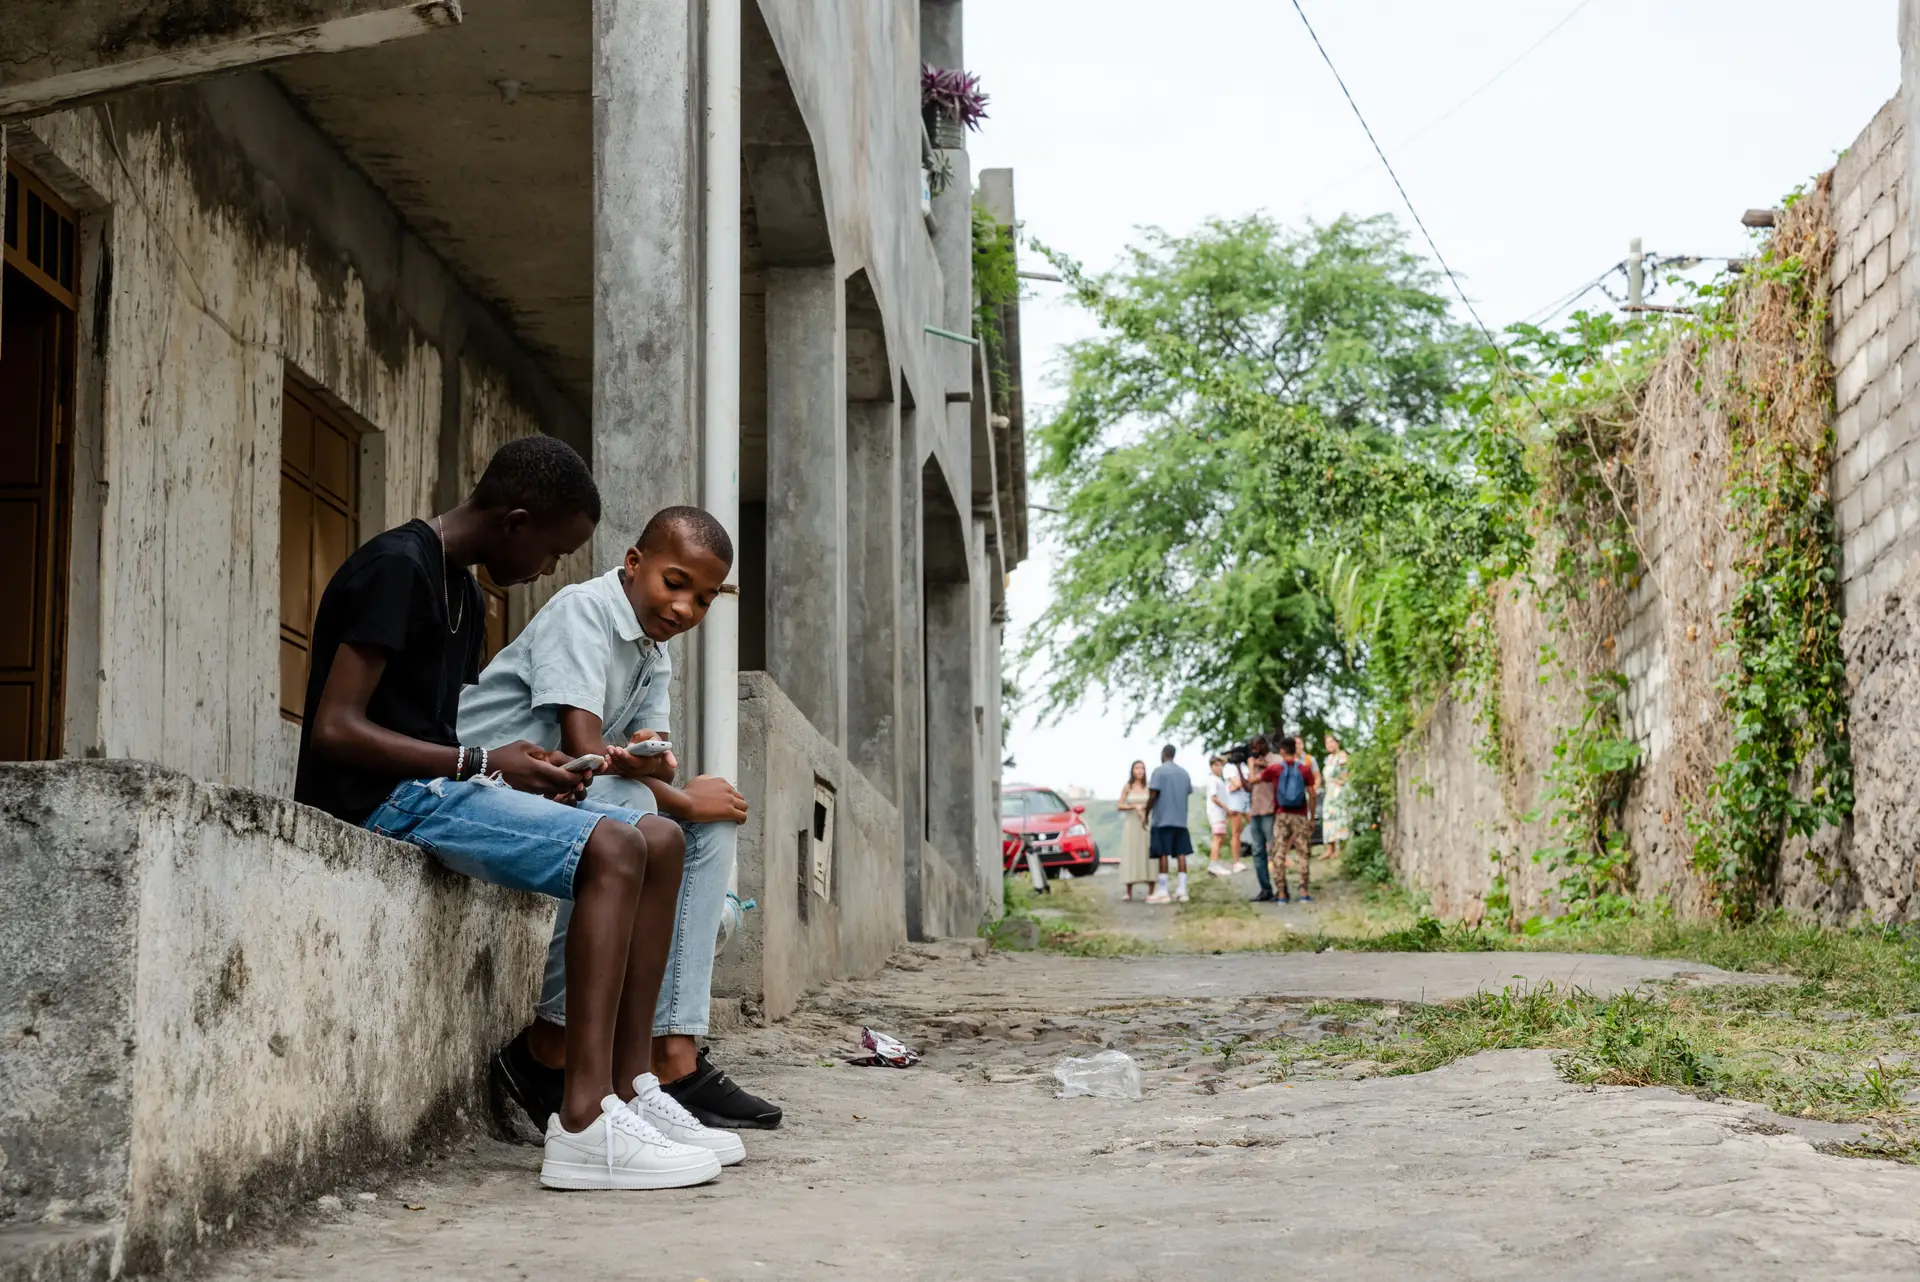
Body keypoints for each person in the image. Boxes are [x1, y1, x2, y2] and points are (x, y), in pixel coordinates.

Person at [294, 437, 723, 1191]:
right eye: (553, 551)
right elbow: (335, 729)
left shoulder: (462, 592)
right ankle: (582, 1120)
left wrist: (525, 774)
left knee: (658, 834)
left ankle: (630, 1091)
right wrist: (484, 764)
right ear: (516, 520)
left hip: (439, 790)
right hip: (376, 800)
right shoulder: (396, 568)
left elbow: (444, 737)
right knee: (617, 844)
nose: (549, 570)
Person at [463, 506, 780, 1150]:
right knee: (648, 822)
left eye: (705, 598)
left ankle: (672, 1055)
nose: (686, 607)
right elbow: (583, 743)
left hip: (570, 784)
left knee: (707, 831)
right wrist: (676, 796)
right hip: (489, 782)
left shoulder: (651, 650)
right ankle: (548, 1048)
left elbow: (632, 758)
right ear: (634, 564)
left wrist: (655, 764)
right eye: (675, 582)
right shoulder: (584, 610)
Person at [1258, 736, 1318, 903]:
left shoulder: (1275, 769)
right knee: (1303, 854)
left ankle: (1282, 894)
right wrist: (1311, 817)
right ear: (1295, 750)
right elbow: (1312, 794)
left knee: (1279, 853)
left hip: (1282, 815)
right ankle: (1304, 892)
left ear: (1282, 751)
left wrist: (1254, 764)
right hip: (1300, 816)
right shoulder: (1304, 770)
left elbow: (1255, 780)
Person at [1145, 744, 1194, 904]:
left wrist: (1146, 813)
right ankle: (1182, 889)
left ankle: (1163, 890)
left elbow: (1153, 794)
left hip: (1163, 819)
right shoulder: (1184, 773)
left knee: (1163, 853)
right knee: (1181, 853)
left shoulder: (1159, 772)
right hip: (1180, 819)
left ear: (1163, 754)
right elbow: (1187, 791)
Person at [1243, 735, 1278, 902]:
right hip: (1255, 811)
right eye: (1252, 747)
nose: (1254, 749)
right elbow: (1249, 785)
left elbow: (1277, 769)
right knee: (1257, 852)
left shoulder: (1274, 759)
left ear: (1264, 745)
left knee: (1274, 850)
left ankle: (1281, 888)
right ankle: (1265, 889)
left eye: (1256, 746)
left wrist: (1259, 764)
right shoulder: (1252, 763)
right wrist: (1239, 768)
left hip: (1270, 810)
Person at [1115, 761, 1154, 901]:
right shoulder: (1128, 786)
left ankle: (1151, 890)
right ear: (1132, 770)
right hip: (1131, 823)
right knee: (1131, 853)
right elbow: (1120, 805)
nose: (1140, 771)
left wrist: (1144, 808)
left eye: (1142, 768)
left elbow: (1153, 802)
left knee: (1148, 852)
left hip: (1146, 822)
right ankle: (1128, 890)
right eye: (1137, 768)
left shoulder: (1148, 786)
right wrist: (1133, 807)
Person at [1321, 733, 1352, 864]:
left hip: (1339, 791)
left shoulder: (1342, 756)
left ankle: (1342, 848)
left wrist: (1342, 781)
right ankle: (1330, 848)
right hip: (1329, 792)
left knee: (1340, 817)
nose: (1330, 745)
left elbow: (1349, 772)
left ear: (1337, 743)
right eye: (1327, 743)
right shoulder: (1328, 759)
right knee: (1328, 817)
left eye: (1332, 742)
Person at [1222, 753, 1251, 873]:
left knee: (1256, 826)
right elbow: (1237, 784)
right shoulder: (1228, 768)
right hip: (1234, 801)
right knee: (1236, 831)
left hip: (1246, 798)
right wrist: (1241, 784)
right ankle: (1236, 862)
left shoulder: (1245, 766)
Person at [1205, 757, 1233, 876]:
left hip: (1220, 812)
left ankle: (1215, 862)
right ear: (1211, 767)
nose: (1219, 768)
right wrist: (1226, 808)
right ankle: (1213, 864)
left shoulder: (1218, 779)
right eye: (1216, 765)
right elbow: (1214, 797)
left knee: (1220, 837)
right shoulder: (1212, 780)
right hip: (1215, 812)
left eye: (1220, 765)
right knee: (1217, 838)